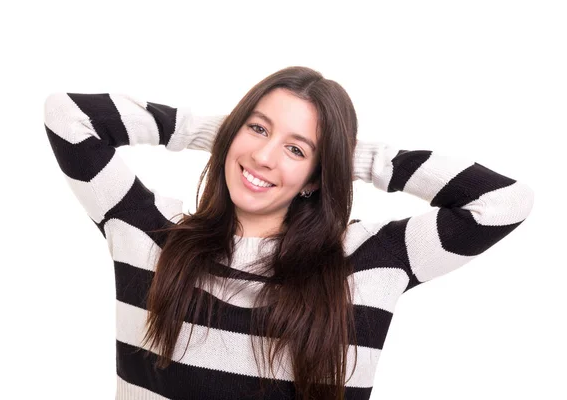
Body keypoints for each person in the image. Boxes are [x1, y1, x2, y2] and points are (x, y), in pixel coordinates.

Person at [43, 66, 534, 400]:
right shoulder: (149, 233)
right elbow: (67, 117)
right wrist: (221, 132)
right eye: (258, 130)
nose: (263, 157)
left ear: (316, 177)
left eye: (297, 150)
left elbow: (502, 202)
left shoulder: (370, 261)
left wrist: (348, 159)